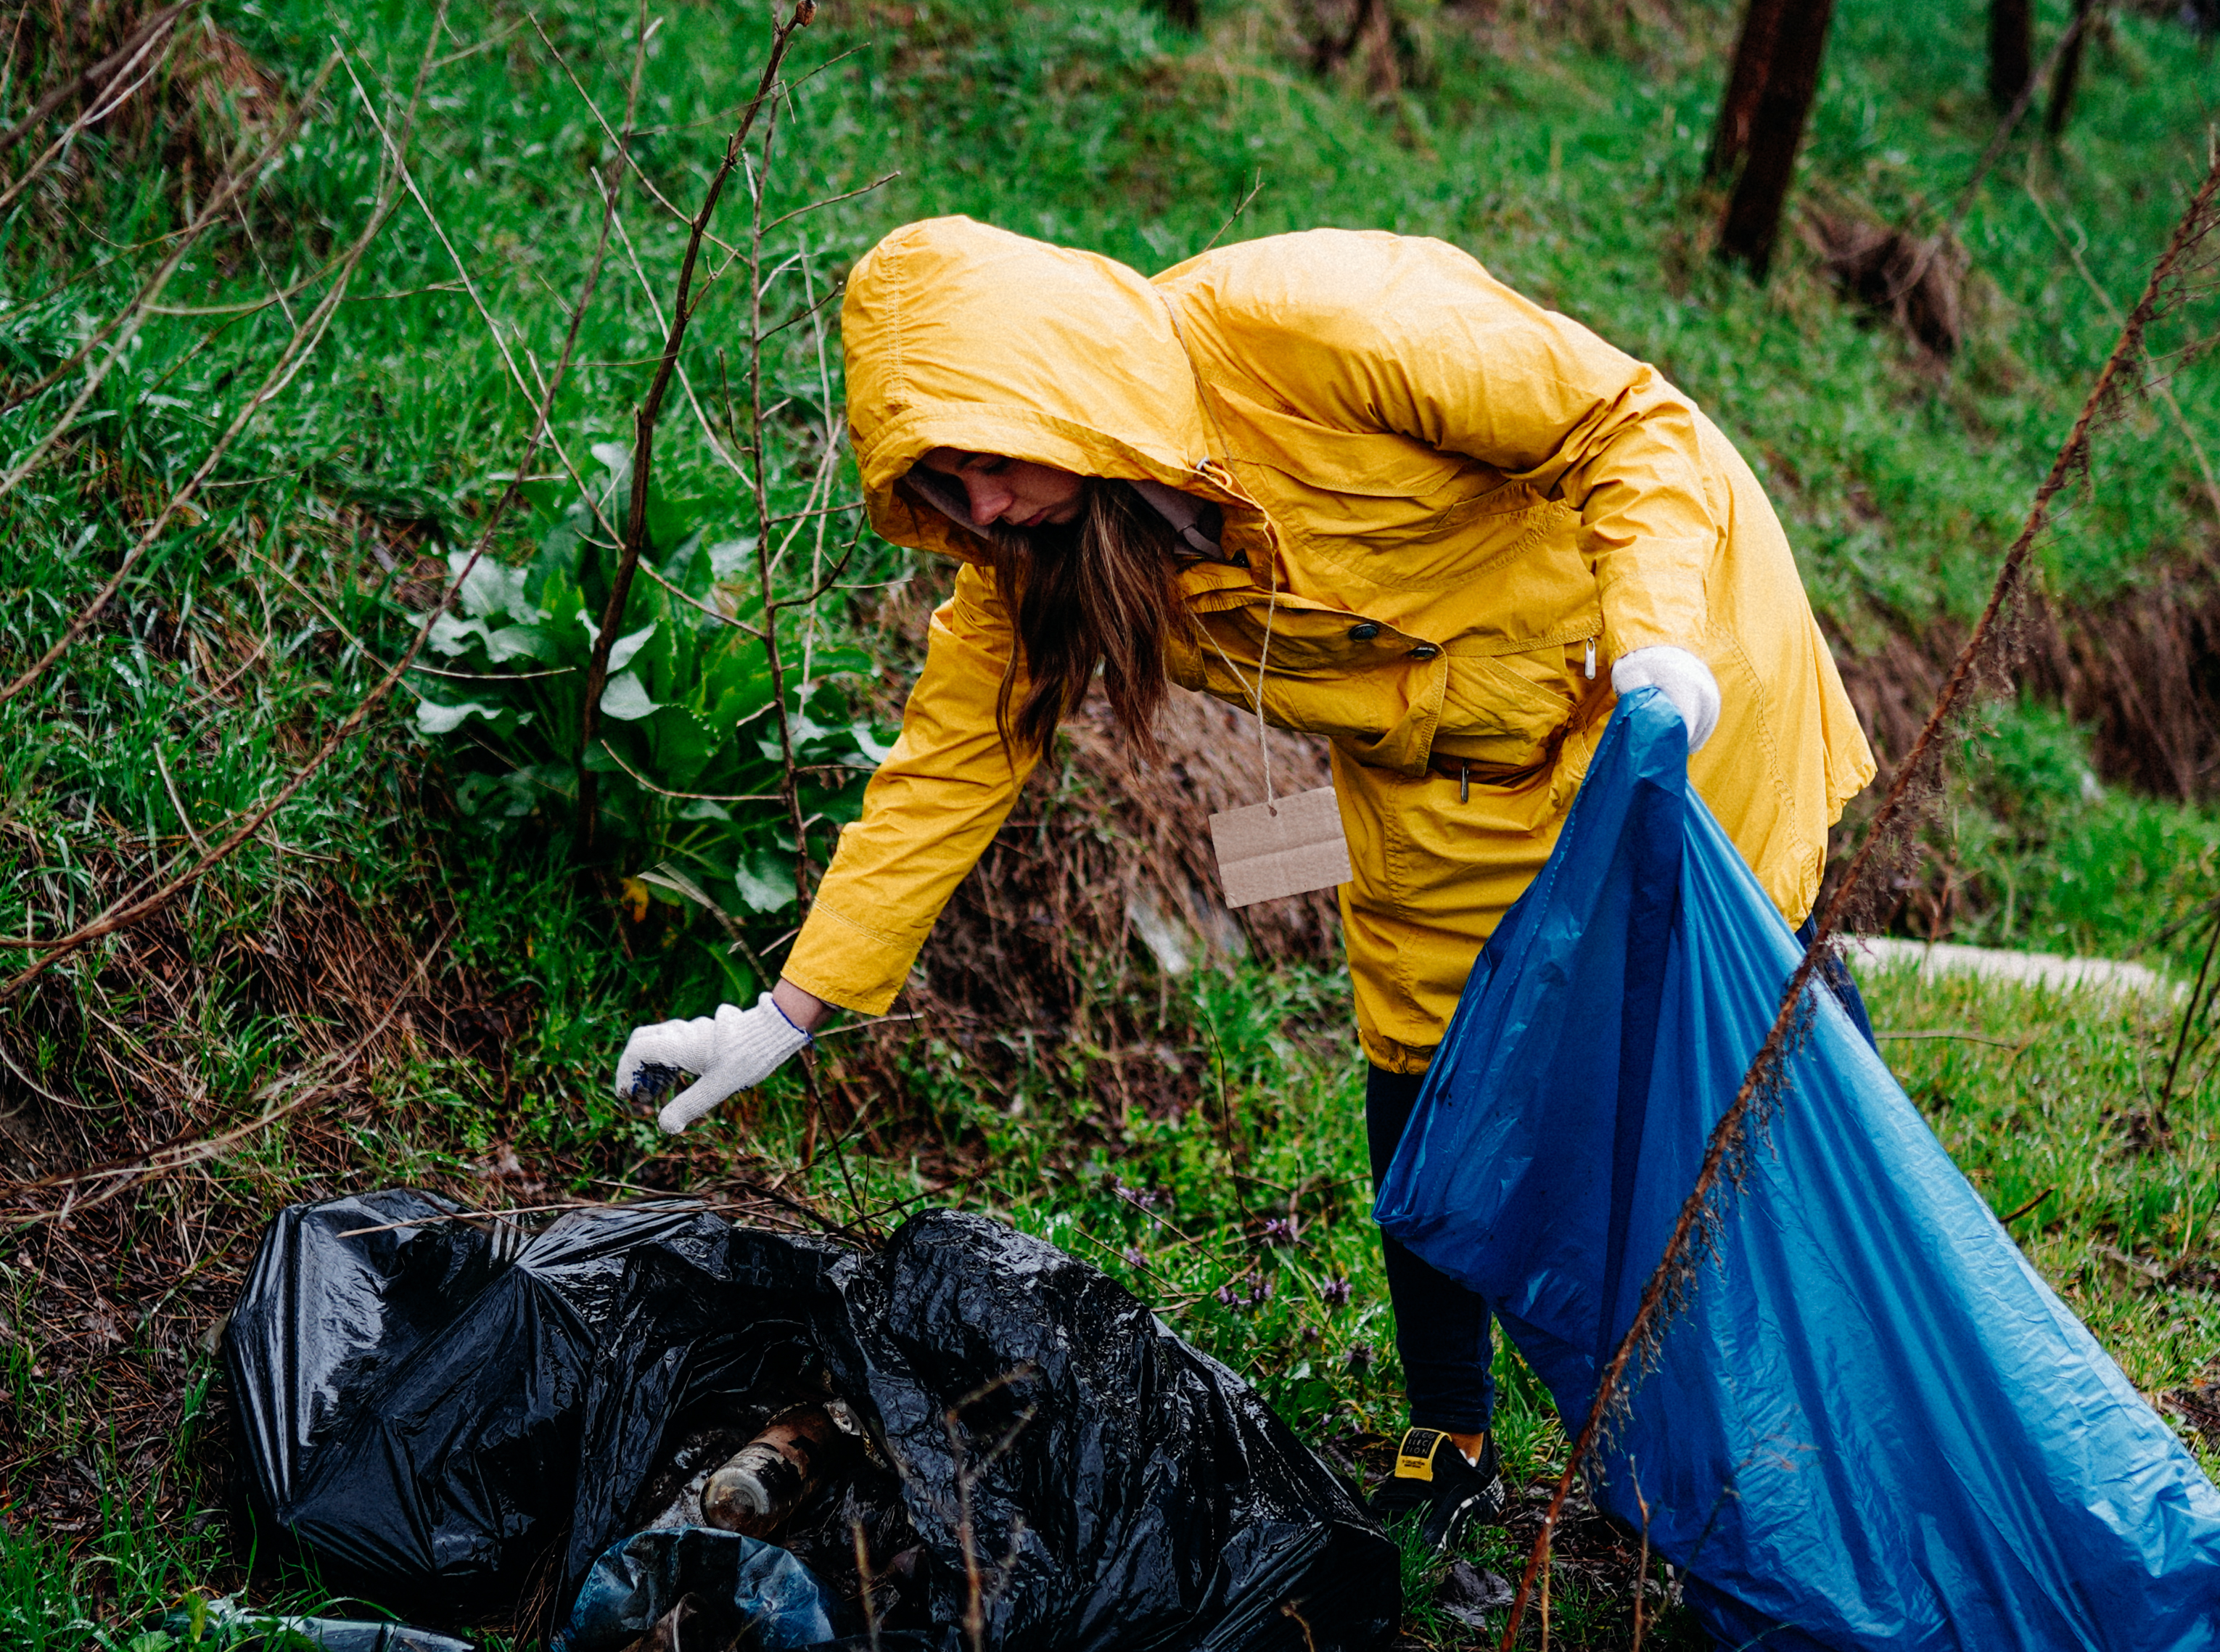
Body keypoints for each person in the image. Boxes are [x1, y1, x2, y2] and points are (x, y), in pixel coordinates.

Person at [616, 217, 1876, 1540]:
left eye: (986, 459)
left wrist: (1662, 644)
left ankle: (1848, 1359)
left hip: (1660, 662)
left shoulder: (1318, 324)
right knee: (1421, 1060)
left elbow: (1629, 423)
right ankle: (1450, 1434)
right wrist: (786, 1015)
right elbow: (943, 774)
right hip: (1435, 759)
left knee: (1726, 1005)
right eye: (945, 487)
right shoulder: (1033, 559)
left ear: (1053, 386)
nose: (980, 509)